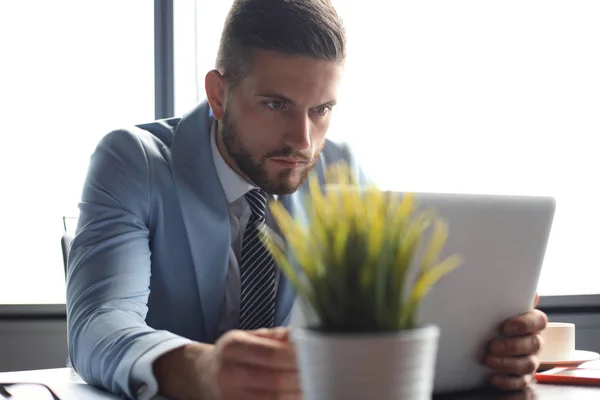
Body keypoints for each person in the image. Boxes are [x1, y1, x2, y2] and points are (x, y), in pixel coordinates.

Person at [66, 0, 548, 399]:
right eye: (276, 104)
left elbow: (383, 322)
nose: (303, 140)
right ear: (218, 94)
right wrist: (203, 368)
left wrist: (491, 348)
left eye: (321, 110)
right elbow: (98, 323)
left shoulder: (340, 171)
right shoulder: (134, 161)